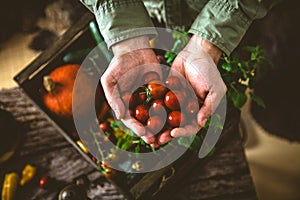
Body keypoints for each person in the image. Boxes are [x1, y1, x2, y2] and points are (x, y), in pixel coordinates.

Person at [80, 0, 280, 147]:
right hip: (147, 10)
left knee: (277, 105)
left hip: (249, 15)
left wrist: (212, 35)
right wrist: (125, 31)